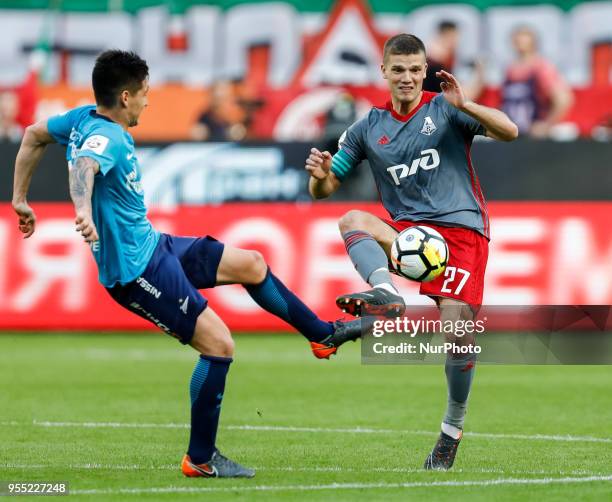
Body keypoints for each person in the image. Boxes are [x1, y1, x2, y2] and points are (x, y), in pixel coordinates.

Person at [12, 50, 363, 479]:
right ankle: (200, 458)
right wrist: (82, 210)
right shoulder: (110, 137)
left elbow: (32, 134)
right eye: (144, 94)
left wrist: (19, 199)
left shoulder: (81, 118)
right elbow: (85, 165)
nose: (148, 102)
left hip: (154, 246)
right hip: (137, 273)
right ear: (125, 96)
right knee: (219, 345)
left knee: (251, 264)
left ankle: (322, 336)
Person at [304, 34, 518, 470]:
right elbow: (324, 190)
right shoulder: (368, 128)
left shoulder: (445, 108)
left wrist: (466, 105)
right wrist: (322, 174)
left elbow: (510, 131)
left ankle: (451, 432)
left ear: (425, 72)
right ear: (383, 71)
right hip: (409, 233)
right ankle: (386, 294)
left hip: (461, 232)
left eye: (415, 70)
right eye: (398, 70)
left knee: (458, 336)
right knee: (351, 219)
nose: (406, 78)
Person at [501, 26, 573, 138]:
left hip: (533, 135)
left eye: (522, 39)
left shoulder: (541, 68)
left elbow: (563, 100)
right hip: (513, 134)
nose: (519, 42)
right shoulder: (510, 69)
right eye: (517, 39)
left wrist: (547, 125)